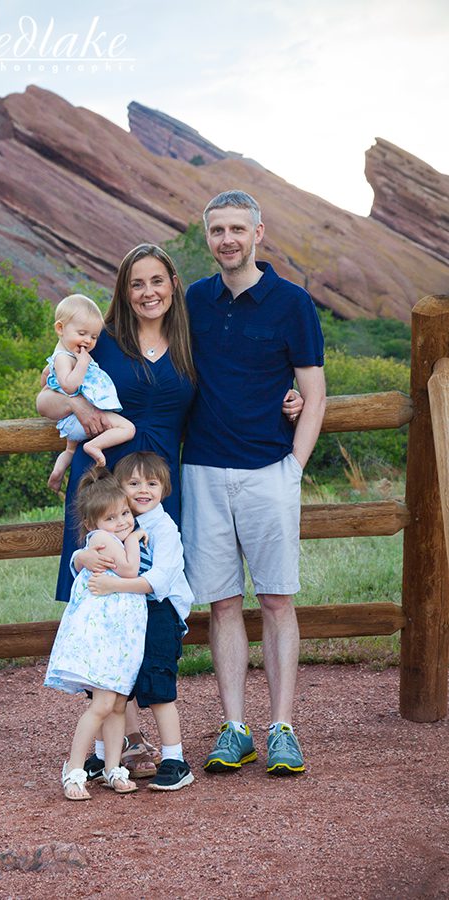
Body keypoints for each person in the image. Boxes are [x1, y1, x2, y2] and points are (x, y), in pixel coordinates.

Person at [36, 243, 302, 761]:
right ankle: (126, 736)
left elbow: (239, 383)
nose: (147, 292)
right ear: (124, 290)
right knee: (102, 602)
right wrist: (73, 402)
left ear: (173, 284)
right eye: (137, 283)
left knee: (153, 602)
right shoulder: (101, 342)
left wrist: (289, 397)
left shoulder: (189, 339)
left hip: (159, 491)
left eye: (156, 281)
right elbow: (44, 398)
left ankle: (140, 725)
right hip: (105, 486)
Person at [181, 189, 326, 776]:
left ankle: (282, 728)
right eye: (217, 231)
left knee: (276, 599)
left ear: (259, 232)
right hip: (203, 471)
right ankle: (235, 728)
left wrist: (295, 466)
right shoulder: (192, 300)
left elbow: (313, 393)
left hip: (270, 470)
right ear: (207, 236)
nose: (227, 240)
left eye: (237, 229)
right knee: (221, 604)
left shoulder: (293, 303)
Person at [76, 451, 195, 791]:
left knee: (157, 684)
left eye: (152, 483)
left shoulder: (164, 529)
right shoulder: (116, 524)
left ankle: (174, 759)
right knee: (111, 682)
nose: (143, 490)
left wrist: (114, 584)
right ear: (119, 487)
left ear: (164, 488)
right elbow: (86, 558)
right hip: (119, 614)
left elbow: (158, 581)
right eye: (133, 483)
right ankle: (103, 755)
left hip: (159, 611)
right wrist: (80, 557)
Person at [44, 467, 148, 800]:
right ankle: (74, 769)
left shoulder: (109, 536)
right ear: (92, 525)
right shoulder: (105, 541)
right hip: (106, 635)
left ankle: (113, 767)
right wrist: (132, 538)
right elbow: (130, 570)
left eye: (126, 514)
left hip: (122, 634)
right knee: (103, 704)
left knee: (117, 704)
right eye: (111, 518)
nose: (122, 522)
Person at [41, 293, 135, 492]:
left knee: (69, 450)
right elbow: (69, 386)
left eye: (93, 336)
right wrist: (83, 364)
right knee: (128, 429)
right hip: (78, 418)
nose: (88, 341)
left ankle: (57, 474)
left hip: (74, 420)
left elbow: (46, 381)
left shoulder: (62, 355)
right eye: (82, 333)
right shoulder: (63, 358)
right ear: (60, 328)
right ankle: (94, 446)